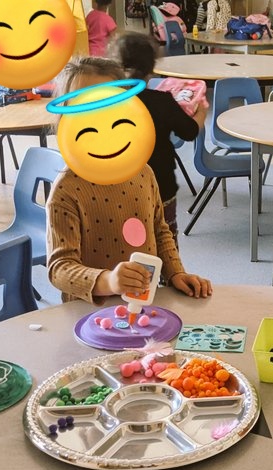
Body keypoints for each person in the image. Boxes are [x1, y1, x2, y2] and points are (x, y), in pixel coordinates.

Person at [47, 57, 212, 304]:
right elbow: (60, 268)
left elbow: (159, 230)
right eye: (86, 106)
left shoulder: (143, 172)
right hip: (90, 314)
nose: (99, 118)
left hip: (143, 307)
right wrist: (108, 281)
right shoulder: (67, 190)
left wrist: (176, 273)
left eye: (110, 104)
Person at [110, 32, 205, 242]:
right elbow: (189, 132)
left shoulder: (107, 102)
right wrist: (201, 113)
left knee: (126, 241)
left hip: (120, 186)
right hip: (160, 184)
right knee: (165, 238)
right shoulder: (162, 101)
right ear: (151, 69)